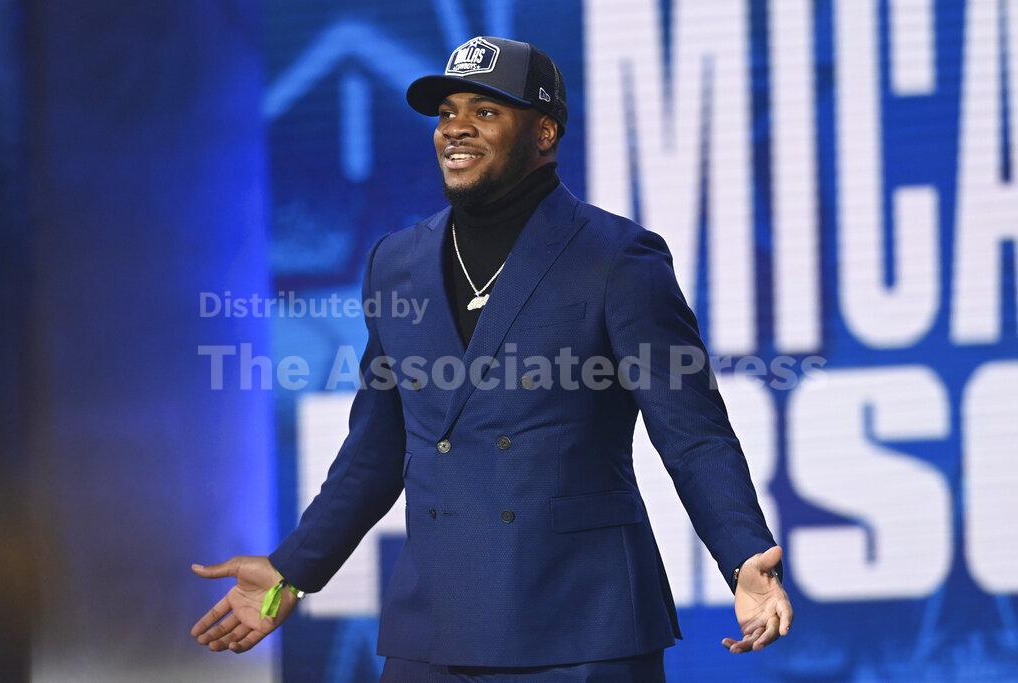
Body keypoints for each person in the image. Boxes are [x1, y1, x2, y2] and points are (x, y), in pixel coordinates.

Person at [190, 36, 793, 681]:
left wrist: (743, 555)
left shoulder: (617, 257)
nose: (456, 128)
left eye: (485, 111)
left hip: (580, 622)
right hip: (434, 625)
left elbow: (692, 430)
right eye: (446, 112)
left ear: (544, 132)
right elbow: (377, 446)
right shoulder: (395, 262)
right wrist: (294, 568)